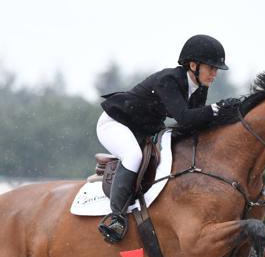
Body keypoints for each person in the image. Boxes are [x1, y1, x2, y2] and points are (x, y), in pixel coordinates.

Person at [96, 34, 238, 243]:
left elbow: (196, 123)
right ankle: (116, 218)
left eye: (216, 69)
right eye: (211, 68)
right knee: (133, 156)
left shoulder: (199, 88)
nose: (215, 74)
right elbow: (184, 118)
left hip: (143, 129)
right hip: (116, 123)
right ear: (193, 65)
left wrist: (227, 115)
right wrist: (217, 109)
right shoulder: (169, 80)